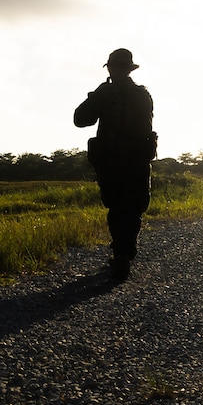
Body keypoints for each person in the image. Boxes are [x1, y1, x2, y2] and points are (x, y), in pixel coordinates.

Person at [74, 48, 158, 281]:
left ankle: (121, 254)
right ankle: (124, 254)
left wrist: (96, 96)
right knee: (132, 208)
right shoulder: (143, 95)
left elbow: (80, 119)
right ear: (130, 70)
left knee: (117, 207)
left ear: (111, 68)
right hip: (136, 160)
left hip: (112, 160)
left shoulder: (105, 93)